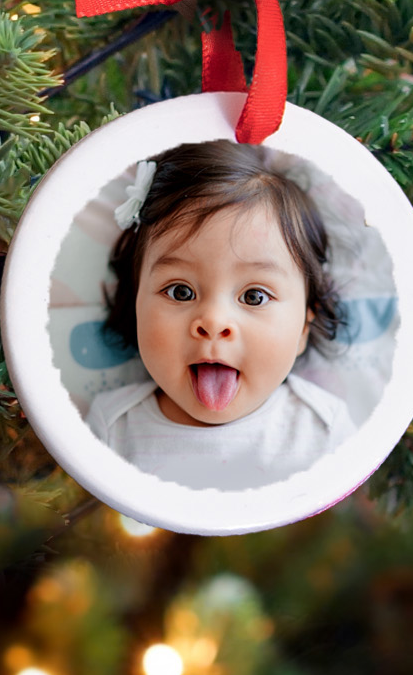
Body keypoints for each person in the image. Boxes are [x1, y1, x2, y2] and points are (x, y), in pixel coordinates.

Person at [87, 141, 355, 490]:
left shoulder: (322, 429)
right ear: (135, 303)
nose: (213, 321)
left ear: (304, 326)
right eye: (180, 291)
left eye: (254, 296)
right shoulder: (113, 429)